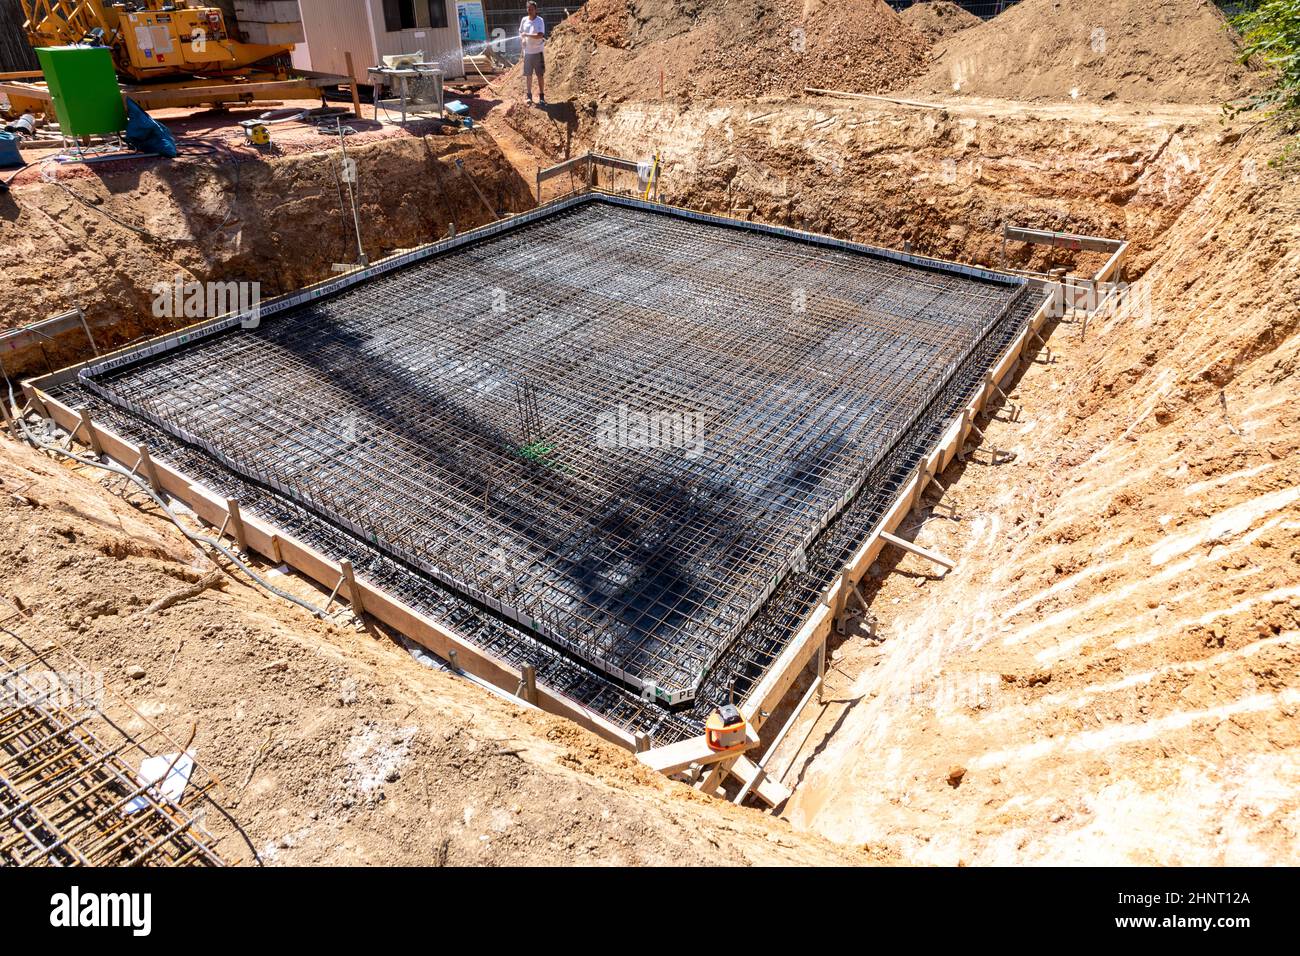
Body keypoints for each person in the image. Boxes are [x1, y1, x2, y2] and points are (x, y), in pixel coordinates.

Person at [520, 2, 546, 106]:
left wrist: (527, 35)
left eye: (531, 9)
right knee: (528, 75)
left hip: (538, 51)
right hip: (528, 53)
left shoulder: (540, 21)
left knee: (540, 75)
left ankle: (542, 97)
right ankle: (529, 96)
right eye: (528, 9)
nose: (529, 11)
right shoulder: (524, 20)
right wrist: (522, 39)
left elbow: (540, 35)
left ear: (536, 10)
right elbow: (521, 32)